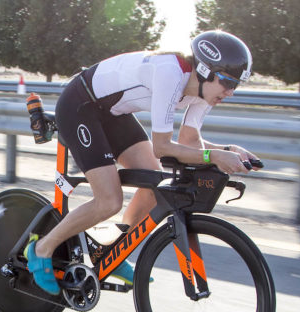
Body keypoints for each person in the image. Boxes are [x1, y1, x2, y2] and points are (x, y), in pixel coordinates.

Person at [25, 30, 260, 295]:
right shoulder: (171, 73)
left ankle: (110, 253)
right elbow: (162, 148)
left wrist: (228, 150)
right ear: (206, 70)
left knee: (154, 185)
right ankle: (41, 248)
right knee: (109, 201)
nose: (231, 92)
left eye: (236, 86)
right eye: (228, 83)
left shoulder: (204, 93)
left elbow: (190, 141)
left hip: (113, 113)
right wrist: (215, 156)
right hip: (81, 105)